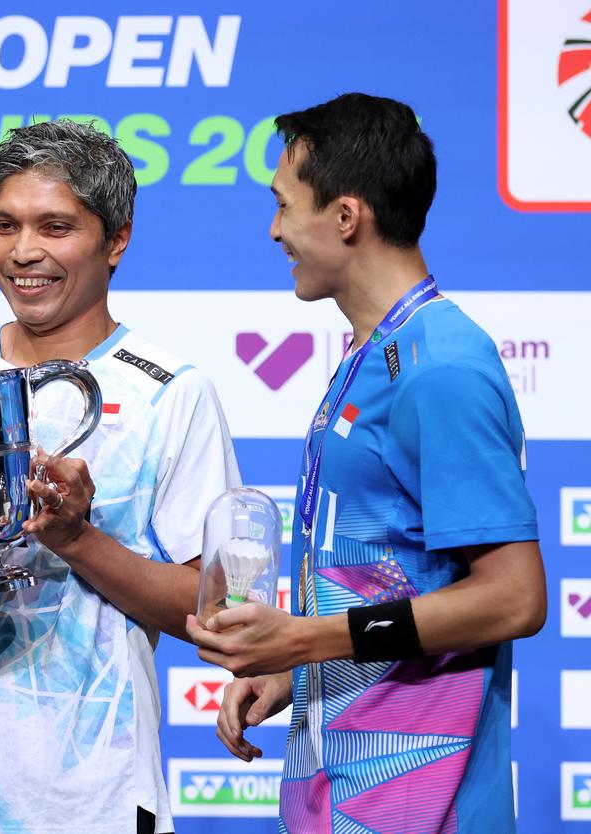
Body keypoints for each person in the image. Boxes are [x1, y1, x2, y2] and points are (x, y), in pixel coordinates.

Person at [0, 119, 241, 834]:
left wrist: (77, 538)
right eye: (5, 224)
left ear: (116, 238)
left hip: (90, 796)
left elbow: (211, 607)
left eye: (55, 227)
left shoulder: (171, 392)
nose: (24, 252)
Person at [187, 93, 546, 833]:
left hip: (423, 805)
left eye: (284, 205)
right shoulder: (371, 355)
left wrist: (307, 639)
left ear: (347, 217)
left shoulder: (439, 366)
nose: (274, 229)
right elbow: (394, 575)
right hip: (344, 792)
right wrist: (300, 672)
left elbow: (515, 600)